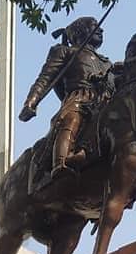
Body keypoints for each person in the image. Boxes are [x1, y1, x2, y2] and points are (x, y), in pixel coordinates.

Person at [19, 16, 113, 181]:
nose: (101, 29)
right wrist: (31, 102)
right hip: (79, 98)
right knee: (72, 117)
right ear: (79, 31)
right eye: (94, 26)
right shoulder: (65, 51)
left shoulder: (106, 62)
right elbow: (45, 79)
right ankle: (61, 163)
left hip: (104, 102)